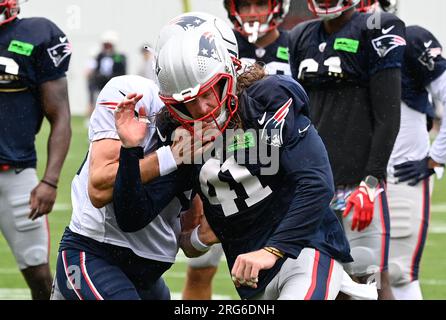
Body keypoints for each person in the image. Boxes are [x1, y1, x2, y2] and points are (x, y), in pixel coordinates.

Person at [113, 24, 379, 300]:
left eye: (209, 92)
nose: (203, 108)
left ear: (228, 74)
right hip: (251, 275)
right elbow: (132, 217)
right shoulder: (178, 134)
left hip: (304, 249)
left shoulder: (266, 102)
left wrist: (272, 250)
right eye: (189, 101)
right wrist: (130, 150)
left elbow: (316, 183)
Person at [50, 74, 214, 300]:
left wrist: (208, 235)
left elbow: (188, 241)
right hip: (96, 252)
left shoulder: (212, 135)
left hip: (149, 275)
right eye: (201, 94)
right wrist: (170, 157)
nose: (206, 106)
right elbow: (99, 187)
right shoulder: (137, 96)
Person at [289, 0, 406, 299]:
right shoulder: (301, 35)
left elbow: (388, 114)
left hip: (357, 183)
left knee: (371, 280)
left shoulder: (376, 27)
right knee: (326, 281)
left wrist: (371, 180)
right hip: (315, 184)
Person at [183, 0, 293, 300]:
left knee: (288, 269)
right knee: (201, 267)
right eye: (245, 5)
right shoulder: (218, 45)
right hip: (221, 169)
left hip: (276, 172)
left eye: (260, 3)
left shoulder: (294, 43)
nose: (253, 12)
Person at [360, 0, 446, 300]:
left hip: (401, 175)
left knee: (397, 272)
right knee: (357, 273)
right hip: (351, 177)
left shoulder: (409, 39)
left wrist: (437, 158)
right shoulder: (328, 44)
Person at [0, 0, 72, 299]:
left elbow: (61, 115)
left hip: (15, 174)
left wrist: (50, 180)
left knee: (39, 274)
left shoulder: (38, 34)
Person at [91, 30, 127, 97]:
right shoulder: (100, 56)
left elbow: (122, 72)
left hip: (115, 87)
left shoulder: (119, 56)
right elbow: (96, 70)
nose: (107, 48)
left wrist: (110, 78)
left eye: (108, 45)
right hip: (101, 87)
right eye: (105, 45)